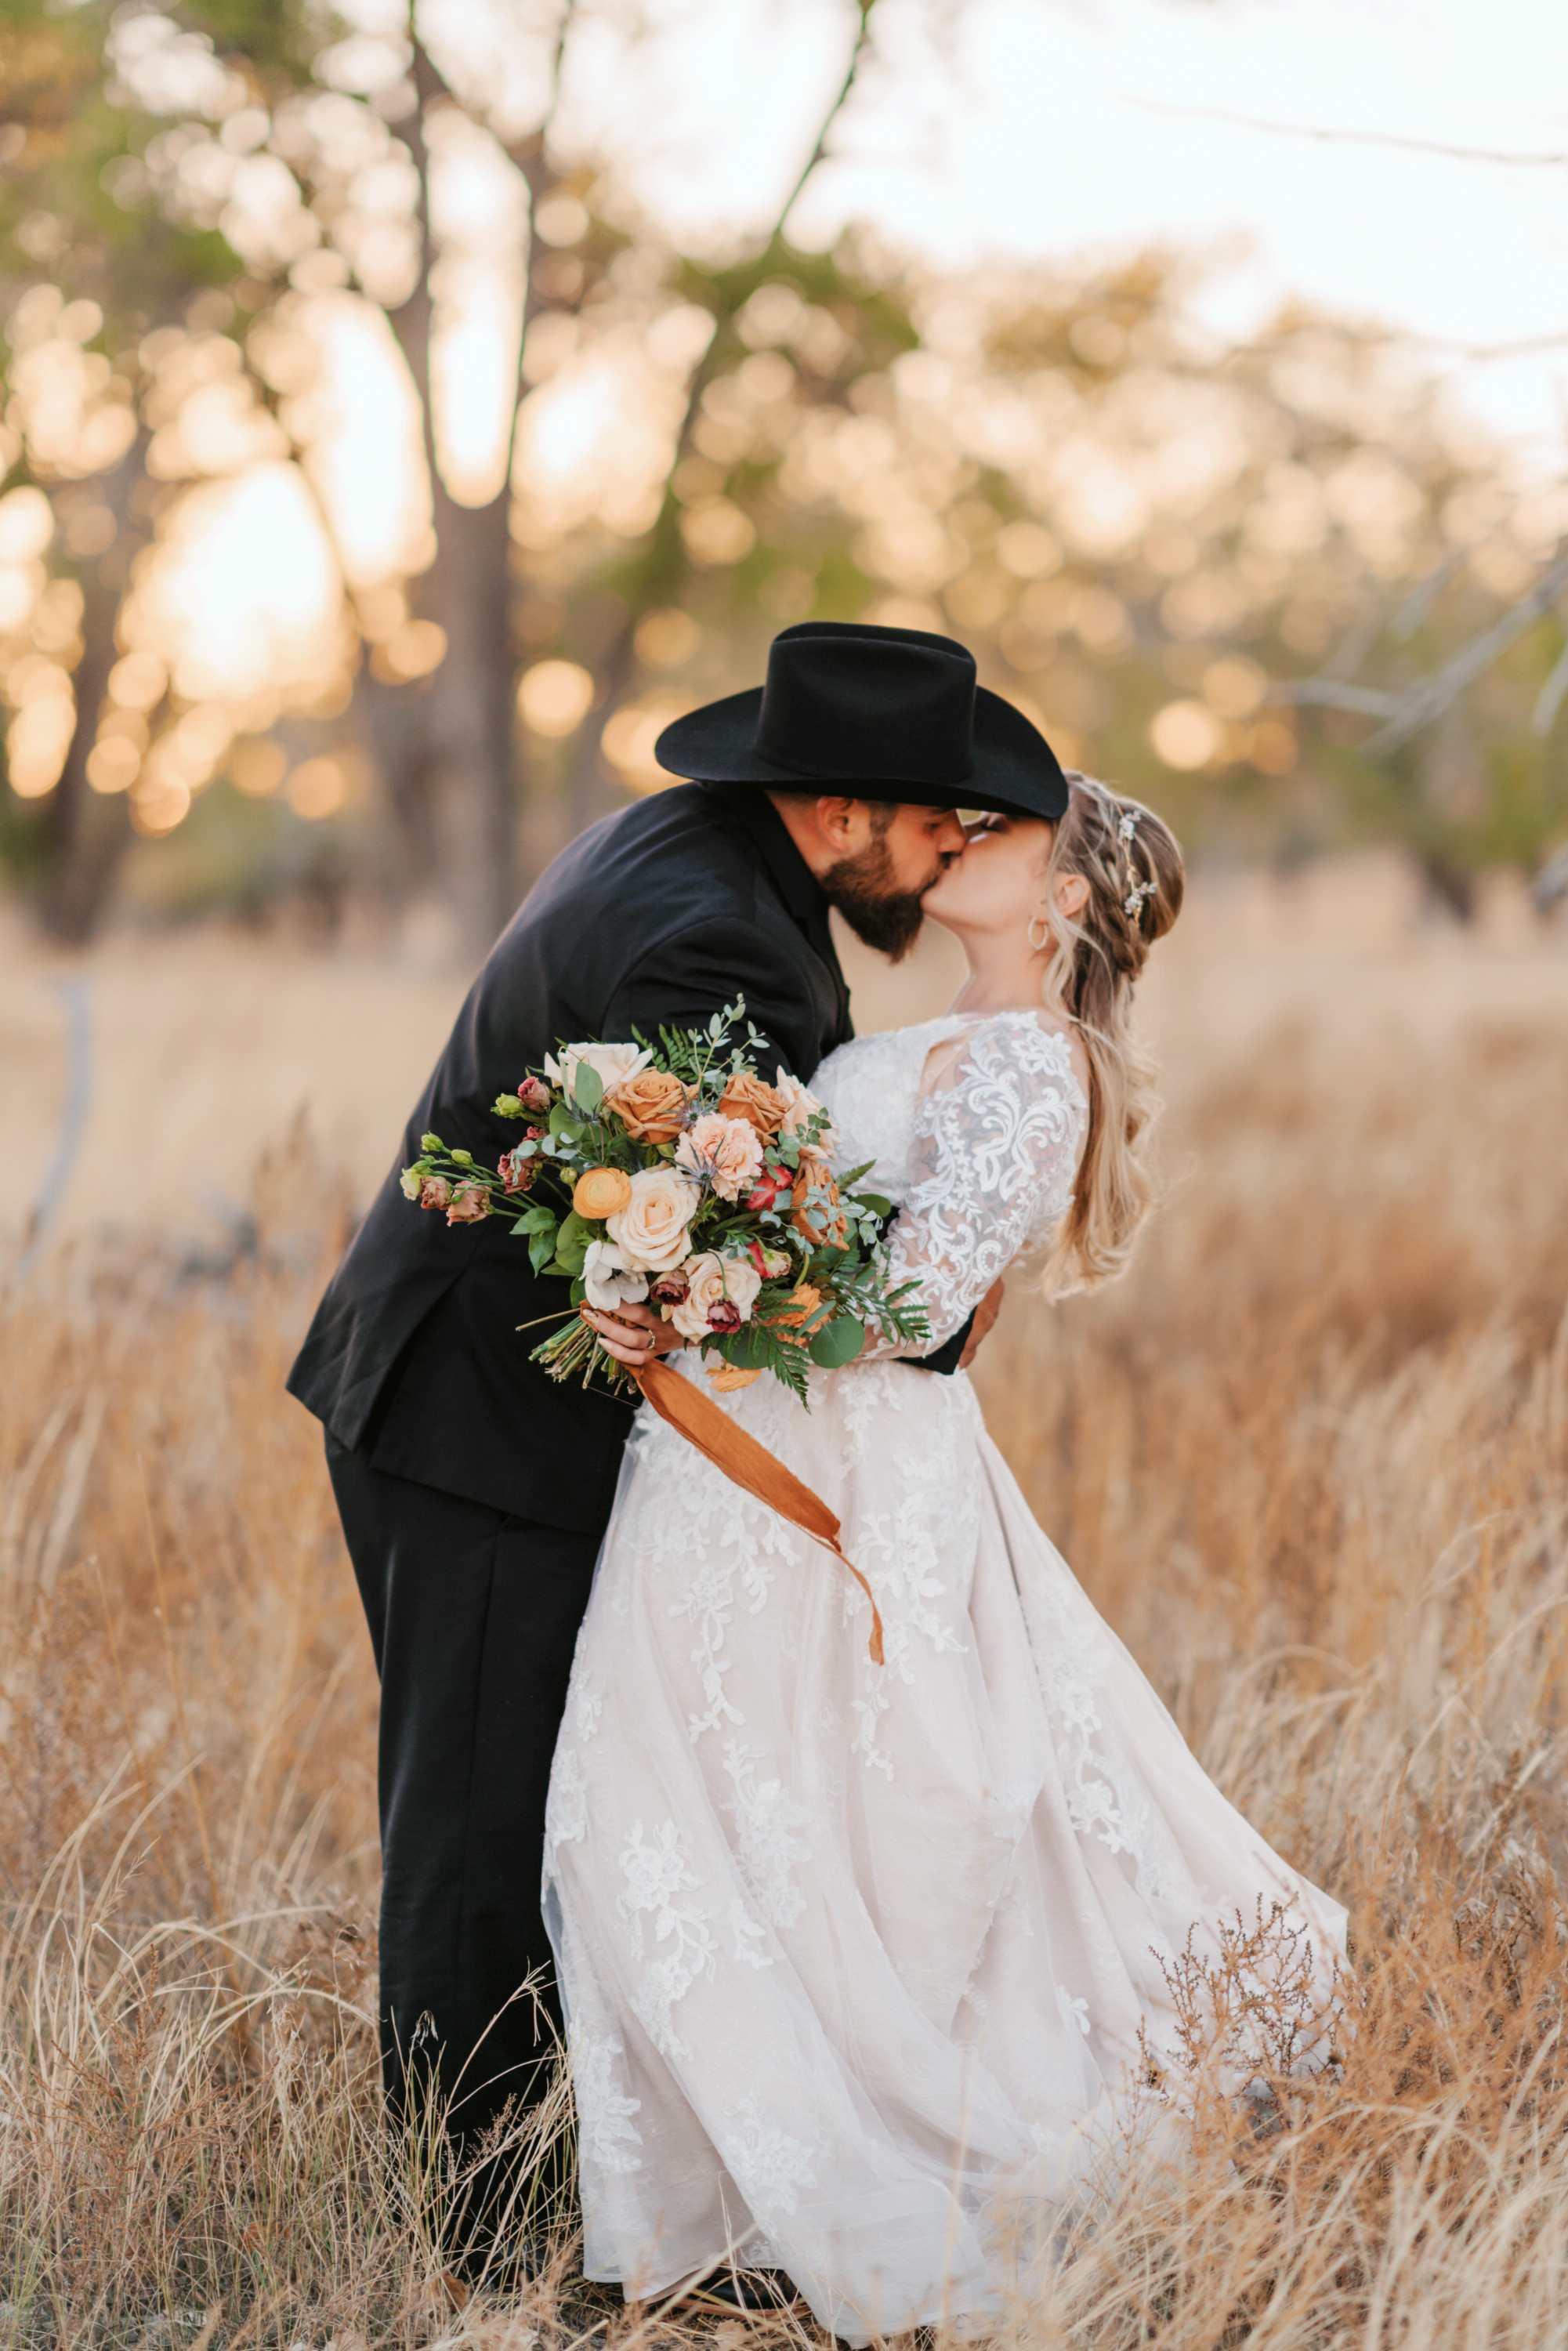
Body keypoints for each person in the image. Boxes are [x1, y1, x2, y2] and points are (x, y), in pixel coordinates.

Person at [284, 621, 1070, 2265]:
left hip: (489, 1406)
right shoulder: (703, 936)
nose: (948, 851)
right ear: (846, 802)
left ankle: (595, 2188)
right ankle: (481, 2246)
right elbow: (713, 1245)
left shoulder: (710, 859)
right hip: (477, 1428)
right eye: (938, 819)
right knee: (480, 1826)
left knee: (550, 1806)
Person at [549, 772, 1349, 2342]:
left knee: (818, 1824)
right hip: (724, 1459)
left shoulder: (1035, 1067)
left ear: (1068, 902)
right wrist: (638, 1275)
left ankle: (838, 2186)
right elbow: (812, 1229)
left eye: (1007, 834)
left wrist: (710, 1280)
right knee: (650, 1812)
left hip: (849, 1480)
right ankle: (701, 2217)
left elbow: (908, 1313)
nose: (964, 836)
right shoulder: (899, 1032)